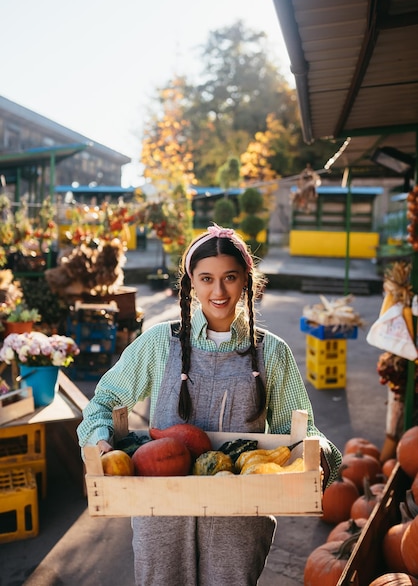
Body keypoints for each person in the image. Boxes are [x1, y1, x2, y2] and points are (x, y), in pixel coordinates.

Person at [77, 224, 341, 586]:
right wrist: (101, 441)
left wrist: (319, 455)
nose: (218, 291)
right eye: (206, 278)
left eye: (230, 277)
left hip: (242, 512)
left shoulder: (272, 351)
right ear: (191, 283)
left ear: (247, 280)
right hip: (161, 509)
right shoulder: (159, 343)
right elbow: (104, 401)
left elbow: (297, 432)